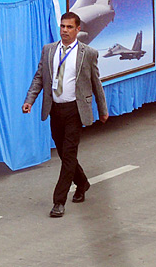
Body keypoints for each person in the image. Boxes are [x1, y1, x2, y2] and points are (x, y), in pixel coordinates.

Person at [22, 11, 108, 217]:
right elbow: (39, 78)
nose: (65, 31)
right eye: (62, 26)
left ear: (78, 30)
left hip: (75, 110)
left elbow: (96, 84)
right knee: (63, 153)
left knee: (69, 154)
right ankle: (83, 183)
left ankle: (58, 202)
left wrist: (102, 110)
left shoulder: (88, 54)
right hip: (55, 109)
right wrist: (29, 100)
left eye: (70, 27)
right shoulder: (49, 50)